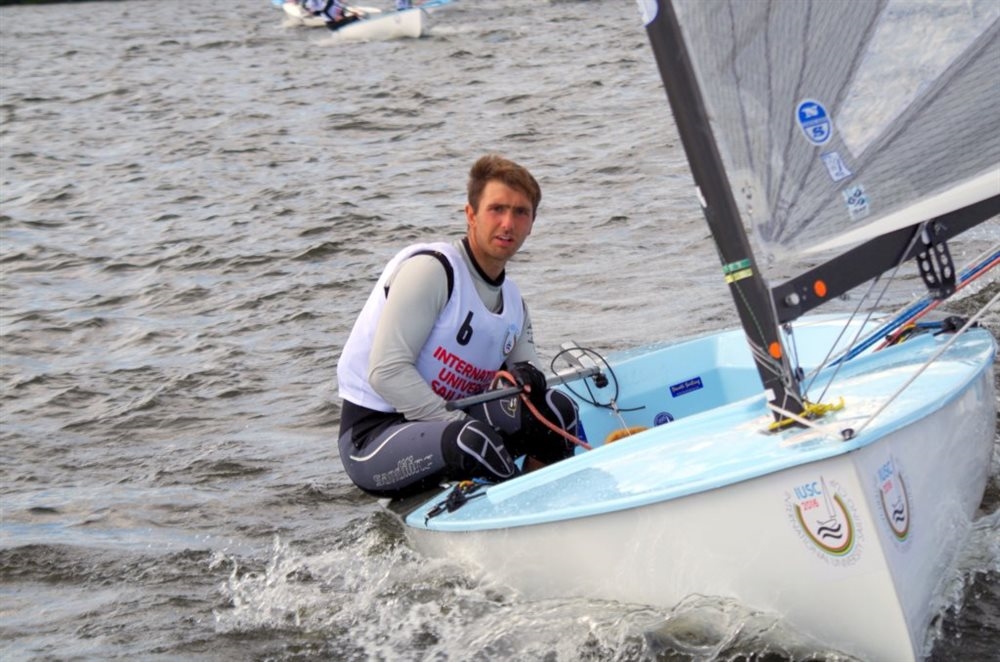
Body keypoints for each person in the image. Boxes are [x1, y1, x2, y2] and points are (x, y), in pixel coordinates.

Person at [336, 155, 580, 498]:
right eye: (497, 209)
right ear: (471, 215)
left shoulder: (514, 303)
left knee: (557, 410)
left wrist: (527, 377)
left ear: (532, 224)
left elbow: (531, 379)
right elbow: (385, 372)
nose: (508, 223)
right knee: (472, 440)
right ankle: (518, 505)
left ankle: (549, 498)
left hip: (452, 424)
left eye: (520, 212)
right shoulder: (432, 271)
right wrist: (459, 424)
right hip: (374, 434)